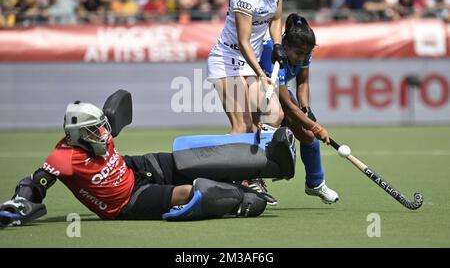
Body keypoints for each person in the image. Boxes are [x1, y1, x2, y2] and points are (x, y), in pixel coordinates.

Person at [0, 91, 296, 227]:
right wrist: (20, 202)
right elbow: (36, 181)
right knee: (192, 192)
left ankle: (272, 161)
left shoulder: (102, 135)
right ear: (77, 135)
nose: (103, 133)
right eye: (94, 130)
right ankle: (242, 196)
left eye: (102, 125)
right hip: (127, 202)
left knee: (193, 160)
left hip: (135, 167)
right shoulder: (63, 157)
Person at [207, 0, 291, 136]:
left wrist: (277, 45)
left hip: (250, 61)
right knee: (243, 127)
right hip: (227, 59)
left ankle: (256, 165)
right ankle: (219, 164)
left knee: (274, 116)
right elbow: (243, 42)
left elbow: (276, 19)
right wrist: (261, 73)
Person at [259, 13, 339, 204]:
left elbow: (302, 82)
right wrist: (316, 126)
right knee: (267, 131)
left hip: (280, 90)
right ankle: (253, 182)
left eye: (306, 54)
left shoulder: (303, 51)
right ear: (285, 45)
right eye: (299, 54)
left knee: (307, 136)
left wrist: (306, 107)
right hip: (257, 91)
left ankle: (315, 183)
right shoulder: (273, 56)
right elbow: (287, 106)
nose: (302, 58)